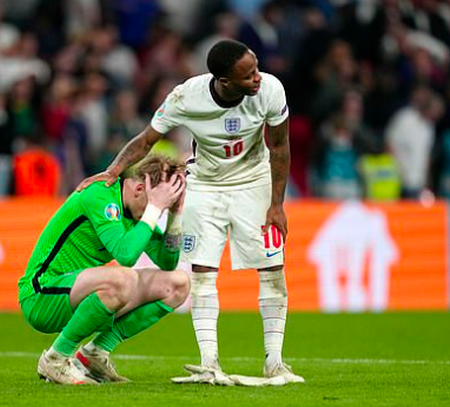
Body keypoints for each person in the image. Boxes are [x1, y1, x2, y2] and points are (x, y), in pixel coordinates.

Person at [78, 39, 304, 385]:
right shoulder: (186, 97)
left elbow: (280, 147)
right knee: (202, 273)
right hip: (206, 185)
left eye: (256, 68)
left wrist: (277, 204)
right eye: (248, 75)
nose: (257, 78)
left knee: (273, 268)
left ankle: (275, 362)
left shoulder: (271, 89)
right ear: (224, 81)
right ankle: (209, 363)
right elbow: (146, 139)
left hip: (256, 183)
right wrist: (113, 170)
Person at [18, 155, 190, 385]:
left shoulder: (136, 209)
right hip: (41, 294)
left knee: (178, 283)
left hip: (77, 292)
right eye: (156, 206)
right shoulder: (101, 194)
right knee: (123, 278)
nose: (157, 213)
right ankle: (56, 358)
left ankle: (94, 355)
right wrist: (153, 209)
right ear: (140, 188)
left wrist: (175, 216)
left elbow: (167, 262)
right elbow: (126, 255)